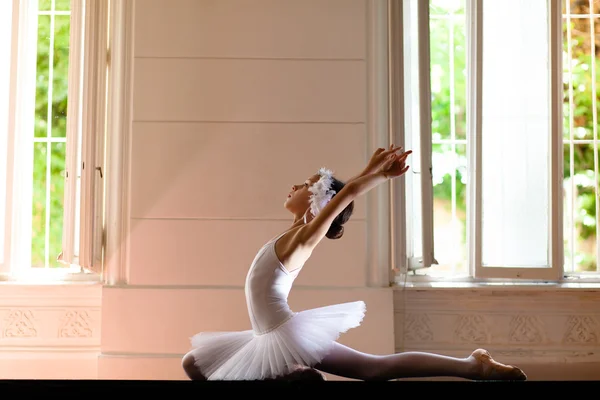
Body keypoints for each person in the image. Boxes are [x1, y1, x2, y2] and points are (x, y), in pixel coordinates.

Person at [182, 145, 527, 382]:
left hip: (282, 333)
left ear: (318, 203)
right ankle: (293, 373)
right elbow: (342, 193)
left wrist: (378, 174)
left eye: (305, 185)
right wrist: (366, 171)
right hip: (265, 335)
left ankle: (473, 366)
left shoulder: (303, 239)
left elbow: (344, 194)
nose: (294, 186)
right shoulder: (290, 235)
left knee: (374, 369)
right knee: (194, 364)